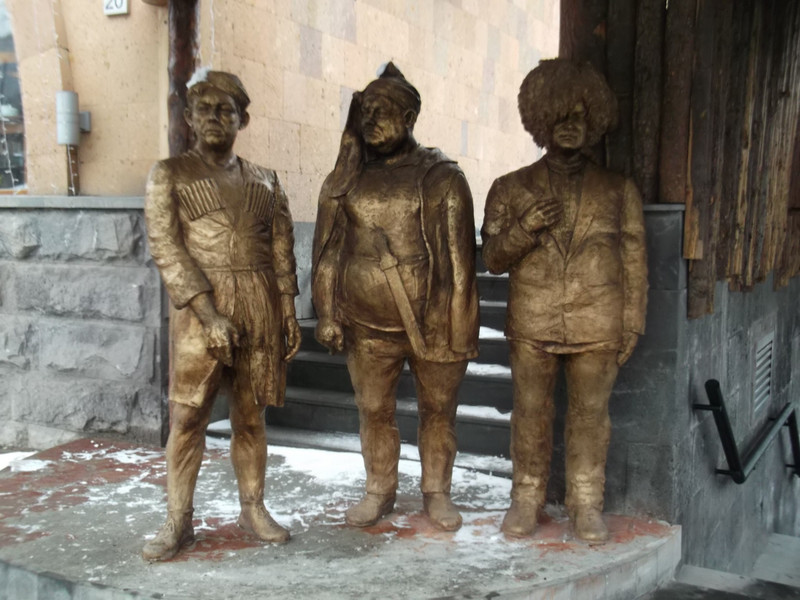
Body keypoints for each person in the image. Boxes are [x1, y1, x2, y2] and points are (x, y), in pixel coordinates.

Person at [481, 59, 648, 542]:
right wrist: (524, 229)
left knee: (591, 415)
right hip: (533, 319)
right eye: (559, 116)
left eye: (579, 115)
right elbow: (491, 258)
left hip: (599, 320)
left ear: (593, 121)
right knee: (530, 411)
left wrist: (632, 321)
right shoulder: (510, 188)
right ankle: (526, 497)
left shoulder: (619, 190)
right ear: (540, 121)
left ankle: (586, 501)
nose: (570, 125)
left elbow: (634, 259)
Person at [312, 63, 479, 531]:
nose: (371, 120)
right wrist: (326, 311)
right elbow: (325, 253)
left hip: (434, 323)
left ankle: (436, 493)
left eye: (383, 111)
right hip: (366, 325)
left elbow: (461, 262)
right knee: (373, 411)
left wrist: (457, 328)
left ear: (410, 116)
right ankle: (379, 490)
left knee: (438, 411)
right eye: (365, 110)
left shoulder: (442, 177)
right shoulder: (346, 179)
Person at [142, 70, 301, 561]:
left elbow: (281, 250)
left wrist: (288, 311)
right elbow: (167, 249)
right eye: (204, 109)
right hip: (199, 310)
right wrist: (209, 316)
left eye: (225, 110)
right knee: (188, 417)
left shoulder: (267, 180)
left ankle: (252, 507)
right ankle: (178, 520)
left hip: (258, 304)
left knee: (251, 417)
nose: (214, 117)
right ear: (189, 118)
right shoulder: (169, 174)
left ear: (243, 119)